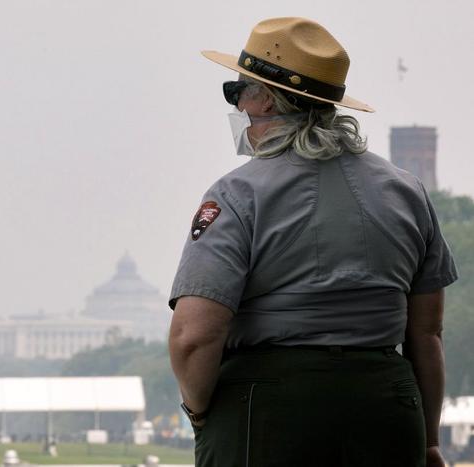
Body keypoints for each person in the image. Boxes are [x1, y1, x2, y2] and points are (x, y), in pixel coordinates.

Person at [167, 17, 458, 467]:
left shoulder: (236, 194)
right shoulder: (407, 192)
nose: (237, 105)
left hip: (267, 407)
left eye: (237, 91)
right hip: (386, 407)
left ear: (264, 97)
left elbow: (194, 336)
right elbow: (426, 332)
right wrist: (428, 441)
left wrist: (200, 411)